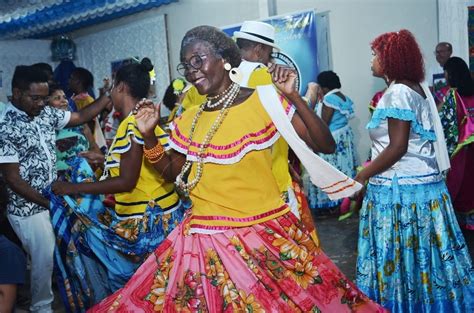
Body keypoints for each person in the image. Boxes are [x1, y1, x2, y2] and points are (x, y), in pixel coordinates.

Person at [90, 25, 385, 312]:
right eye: (185, 65)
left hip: (261, 236)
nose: (191, 70)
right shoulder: (188, 117)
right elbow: (173, 173)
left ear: (225, 59)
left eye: (198, 60)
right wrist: (150, 135)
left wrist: (294, 96)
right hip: (201, 241)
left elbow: (325, 145)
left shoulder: (264, 100)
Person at [355, 29, 474, 312]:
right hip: (422, 189)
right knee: (425, 257)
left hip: (402, 192)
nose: (371, 60)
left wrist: (363, 175)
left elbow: (397, 147)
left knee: (400, 255)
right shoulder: (416, 89)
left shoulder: (396, 93)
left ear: (390, 59)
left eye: (375, 55)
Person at [51, 62, 186, 293]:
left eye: (112, 87)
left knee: (133, 286)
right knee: (157, 285)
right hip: (162, 214)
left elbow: (127, 181)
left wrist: (70, 187)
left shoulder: (132, 125)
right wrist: (104, 160)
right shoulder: (139, 121)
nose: (110, 93)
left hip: (146, 222)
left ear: (121, 87)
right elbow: (140, 166)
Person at [0, 64, 112, 313]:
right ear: (16, 93)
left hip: (52, 199)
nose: (41, 104)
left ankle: (65, 298)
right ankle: (41, 307)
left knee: (59, 257)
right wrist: (48, 202)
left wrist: (107, 95)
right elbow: (13, 179)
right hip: (28, 208)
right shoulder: (5, 127)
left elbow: (81, 117)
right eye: (35, 98)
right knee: (45, 258)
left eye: (43, 98)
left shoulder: (45, 114)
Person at [304, 71, 358, 213]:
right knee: (342, 169)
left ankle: (330, 204)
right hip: (343, 139)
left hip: (332, 139)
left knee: (328, 170)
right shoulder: (343, 98)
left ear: (324, 87)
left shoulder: (329, 99)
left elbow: (323, 124)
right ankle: (343, 201)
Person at [439, 56, 474, 230]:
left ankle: (461, 221)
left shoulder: (453, 95)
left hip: (461, 150)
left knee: (460, 184)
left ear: (451, 74)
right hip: (471, 146)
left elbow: (445, 123)